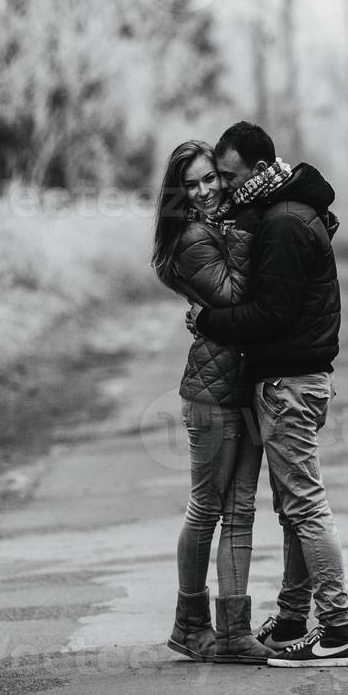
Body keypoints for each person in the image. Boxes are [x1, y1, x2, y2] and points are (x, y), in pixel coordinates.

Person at [188, 121, 348, 668]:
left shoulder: (284, 223)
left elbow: (272, 313)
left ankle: (335, 633)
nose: (227, 187)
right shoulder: (282, 211)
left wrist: (209, 318)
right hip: (293, 379)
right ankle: (291, 620)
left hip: (289, 384)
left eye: (232, 177)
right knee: (292, 511)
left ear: (260, 171)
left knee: (305, 507)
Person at [151, 139, 275, 664]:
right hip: (212, 395)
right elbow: (234, 296)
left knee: (240, 510)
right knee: (206, 508)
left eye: (211, 180)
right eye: (194, 184)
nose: (205, 191)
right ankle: (189, 623)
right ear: (179, 195)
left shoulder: (219, 224)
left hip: (242, 385)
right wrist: (250, 234)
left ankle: (233, 633)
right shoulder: (194, 238)